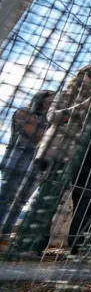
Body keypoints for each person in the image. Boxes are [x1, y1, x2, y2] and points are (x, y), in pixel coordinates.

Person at [13, 66, 91, 256]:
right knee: (48, 198)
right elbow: (53, 116)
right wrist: (84, 104)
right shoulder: (65, 94)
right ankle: (30, 246)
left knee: (85, 203)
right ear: (81, 76)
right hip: (62, 153)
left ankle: (79, 250)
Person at [0, 90, 54, 244]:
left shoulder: (50, 119)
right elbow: (36, 133)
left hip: (38, 160)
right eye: (52, 100)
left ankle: (5, 236)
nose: (55, 102)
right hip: (19, 156)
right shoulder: (23, 112)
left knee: (21, 200)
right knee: (7, 196)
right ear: (42, 100)